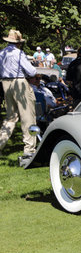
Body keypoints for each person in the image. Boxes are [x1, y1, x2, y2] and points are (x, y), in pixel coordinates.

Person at [0, 29, 37, 160]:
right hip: (19, 83)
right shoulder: (19, 53)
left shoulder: (1, 53)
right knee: (27, 117)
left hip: (5, 83)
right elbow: (31, 71)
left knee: (10, 118)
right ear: (19, 42)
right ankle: (29, 148)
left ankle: (0, 143)